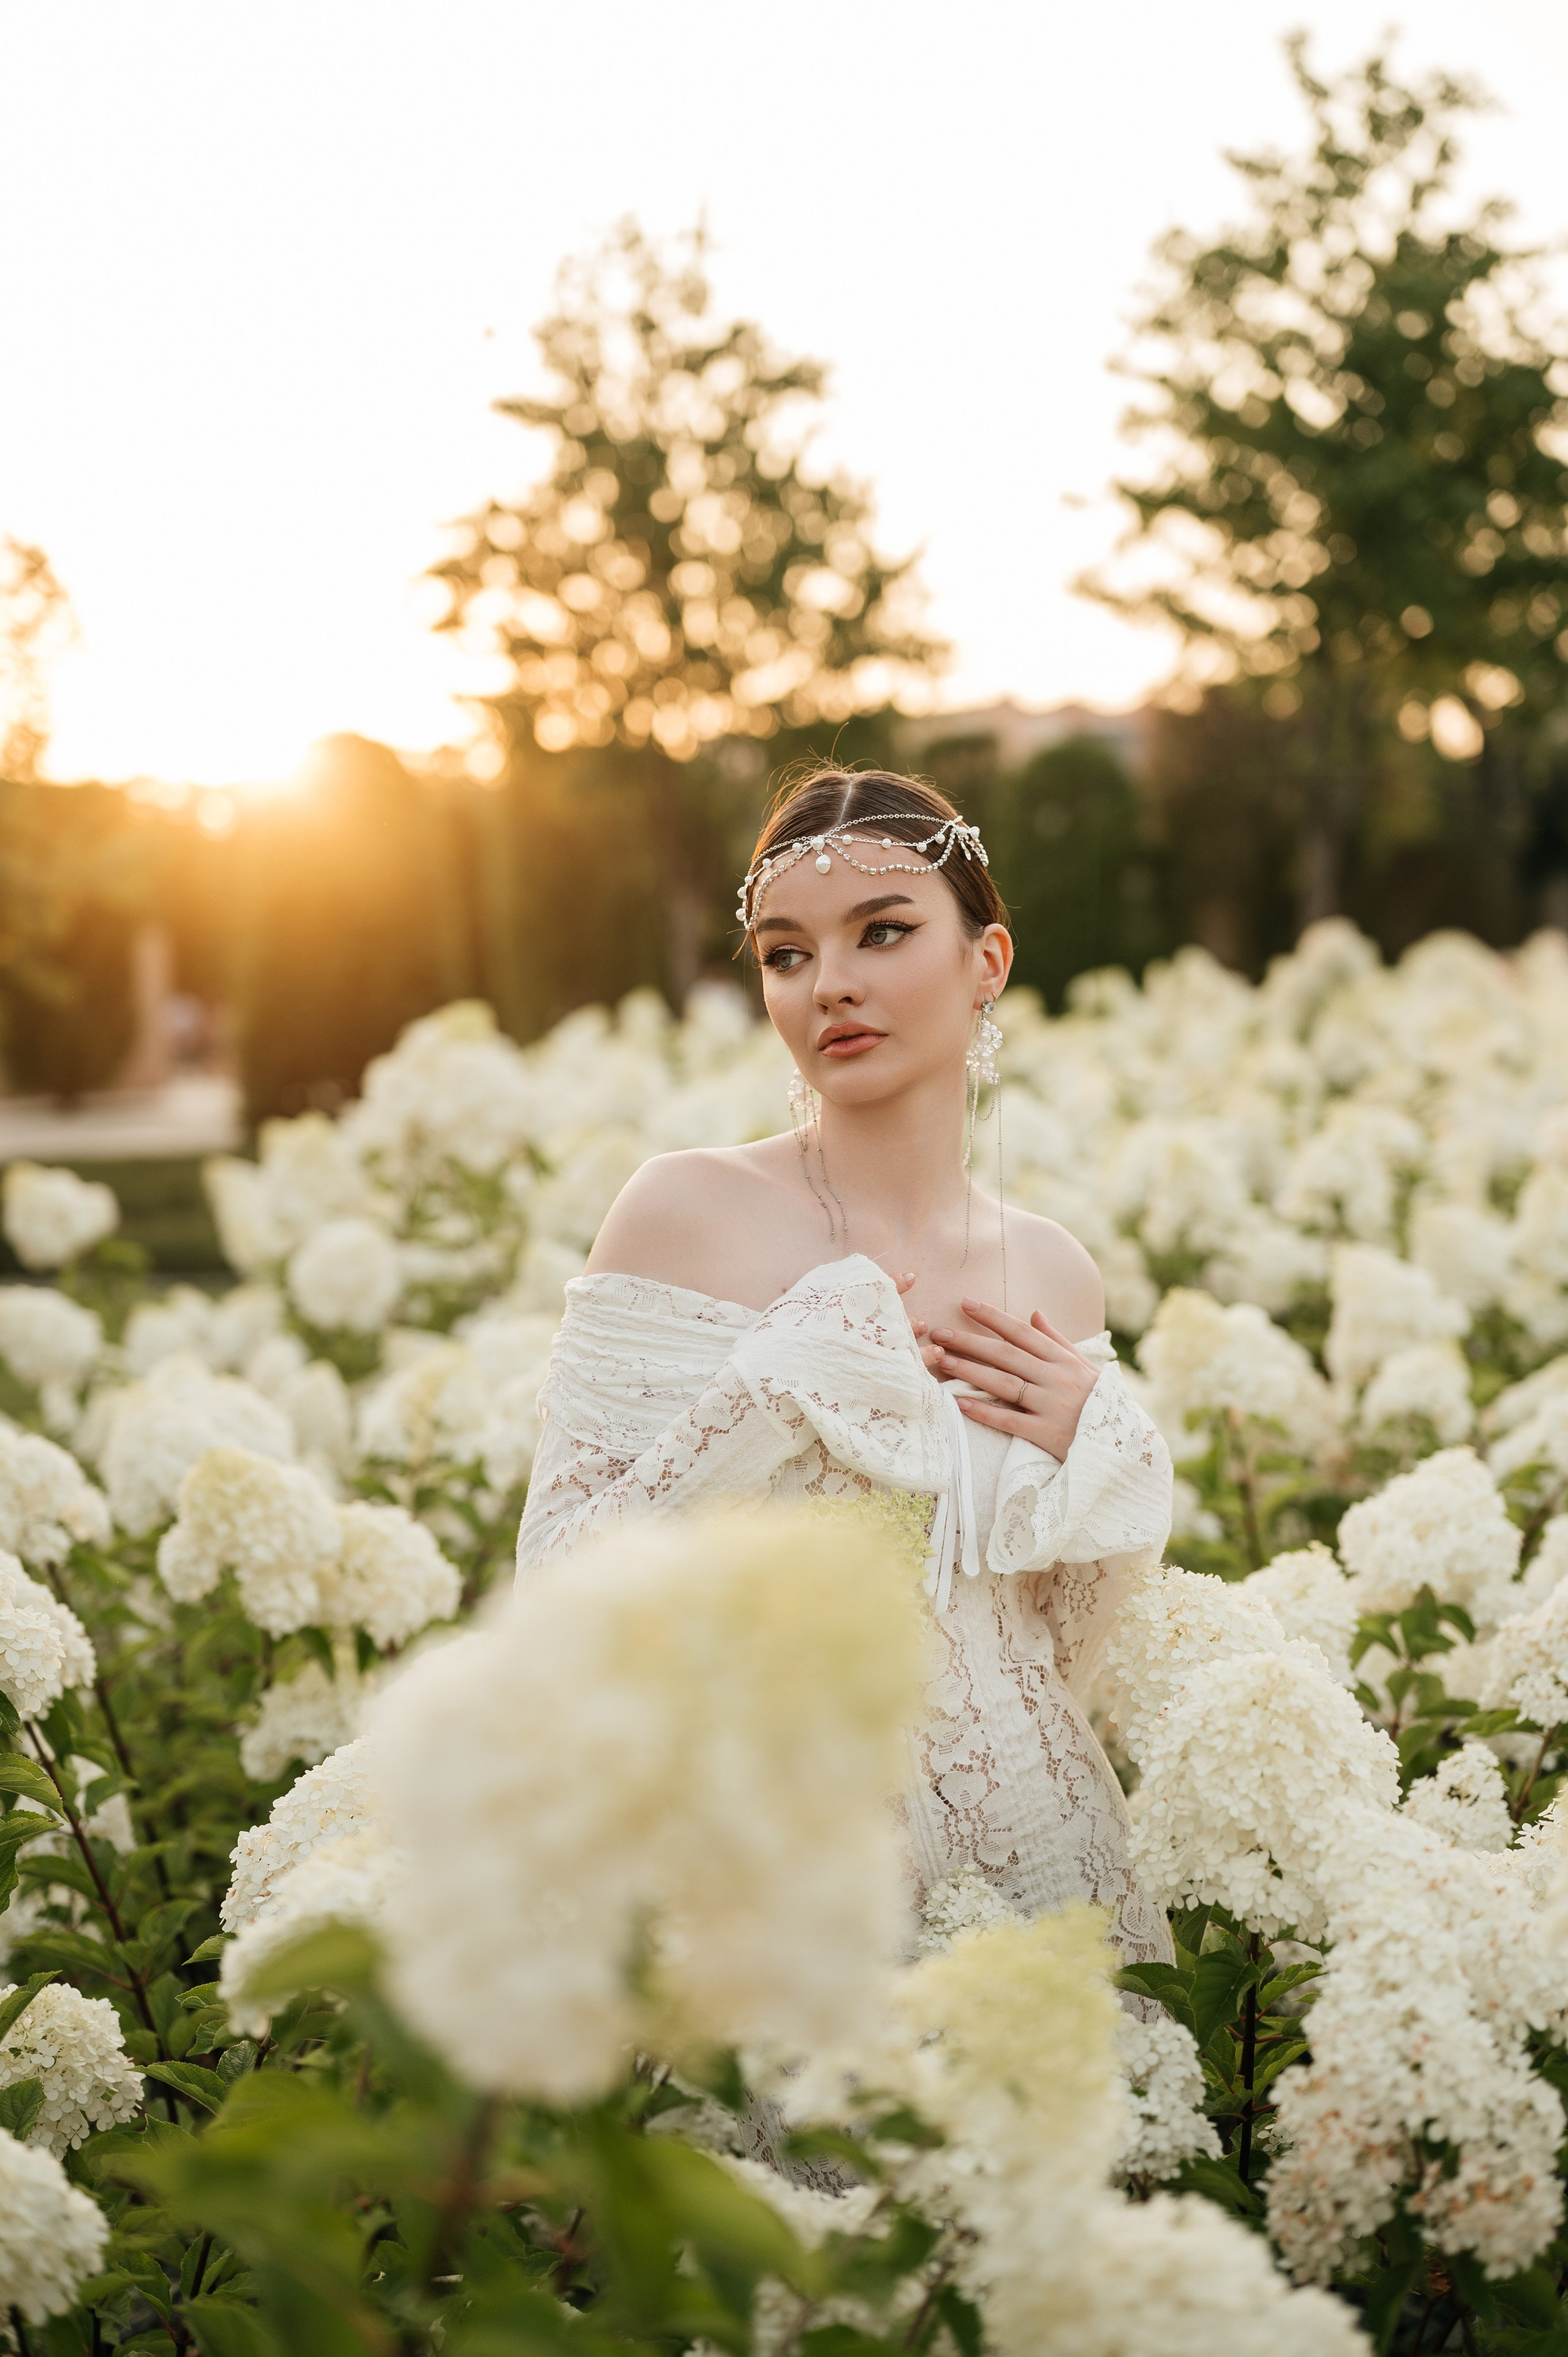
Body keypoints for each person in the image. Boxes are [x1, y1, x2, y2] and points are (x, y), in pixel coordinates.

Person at [517, 768, 1174, 1970]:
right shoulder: (684, 1210)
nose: (831, 985)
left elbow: (1056, 1647)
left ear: (986, 960)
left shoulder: (1052, 1271)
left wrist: (1107, 1450)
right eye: (784, 954)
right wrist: (772, 1386)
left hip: (1041, 1861)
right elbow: (560, 1591)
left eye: (882, 932)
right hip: (774, 1882)